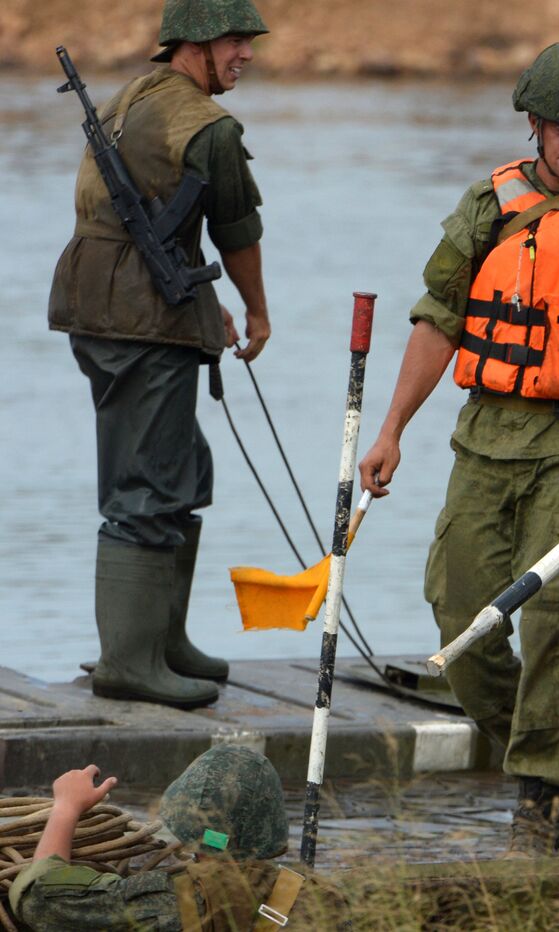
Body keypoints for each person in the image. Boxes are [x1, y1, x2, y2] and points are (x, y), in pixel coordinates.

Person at [357, 42, 559, 857]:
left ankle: (540, 791)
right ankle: (555, 747)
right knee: (459, 619)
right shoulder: (487, 206)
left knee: (549, 622)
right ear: (535, 124)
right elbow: (438, 319)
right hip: (485, 436)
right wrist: (392, 428)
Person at [51, 0, 273, 709]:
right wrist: (259, 312)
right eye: (236, 42)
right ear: (197, 45)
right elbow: (236, 229)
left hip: (107, 304)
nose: (245, 55)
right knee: (147, 484)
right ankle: (128, 662)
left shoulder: (129, 99)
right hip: (143, 316)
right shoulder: (206, 126)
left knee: (177, 466)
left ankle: (161, 643)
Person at [8, 747, 349, 930]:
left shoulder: (171, 900)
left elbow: (38, 899)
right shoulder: (326, 902)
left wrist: (66, 807)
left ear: (185, 827)